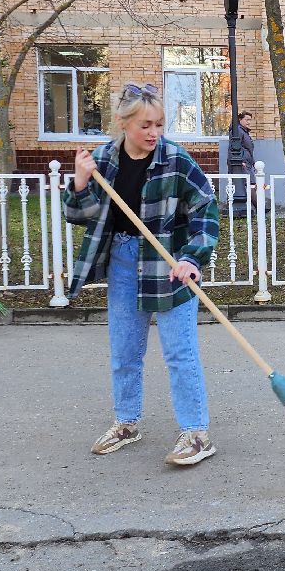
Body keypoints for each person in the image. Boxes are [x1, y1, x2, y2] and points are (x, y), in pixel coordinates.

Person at [65, 82, 220, 467]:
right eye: (145, 125)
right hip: (123, 258)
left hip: (168, 263)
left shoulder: (176, 160)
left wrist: (192, 258)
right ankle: (127, 423)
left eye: (159, 124)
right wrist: (81, 182)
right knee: (124, 351)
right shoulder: (103, 160)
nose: (154, 133)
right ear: (123, 123)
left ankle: (196, 433)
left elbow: (206, 209)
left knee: (180, 352)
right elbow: (78, 216)